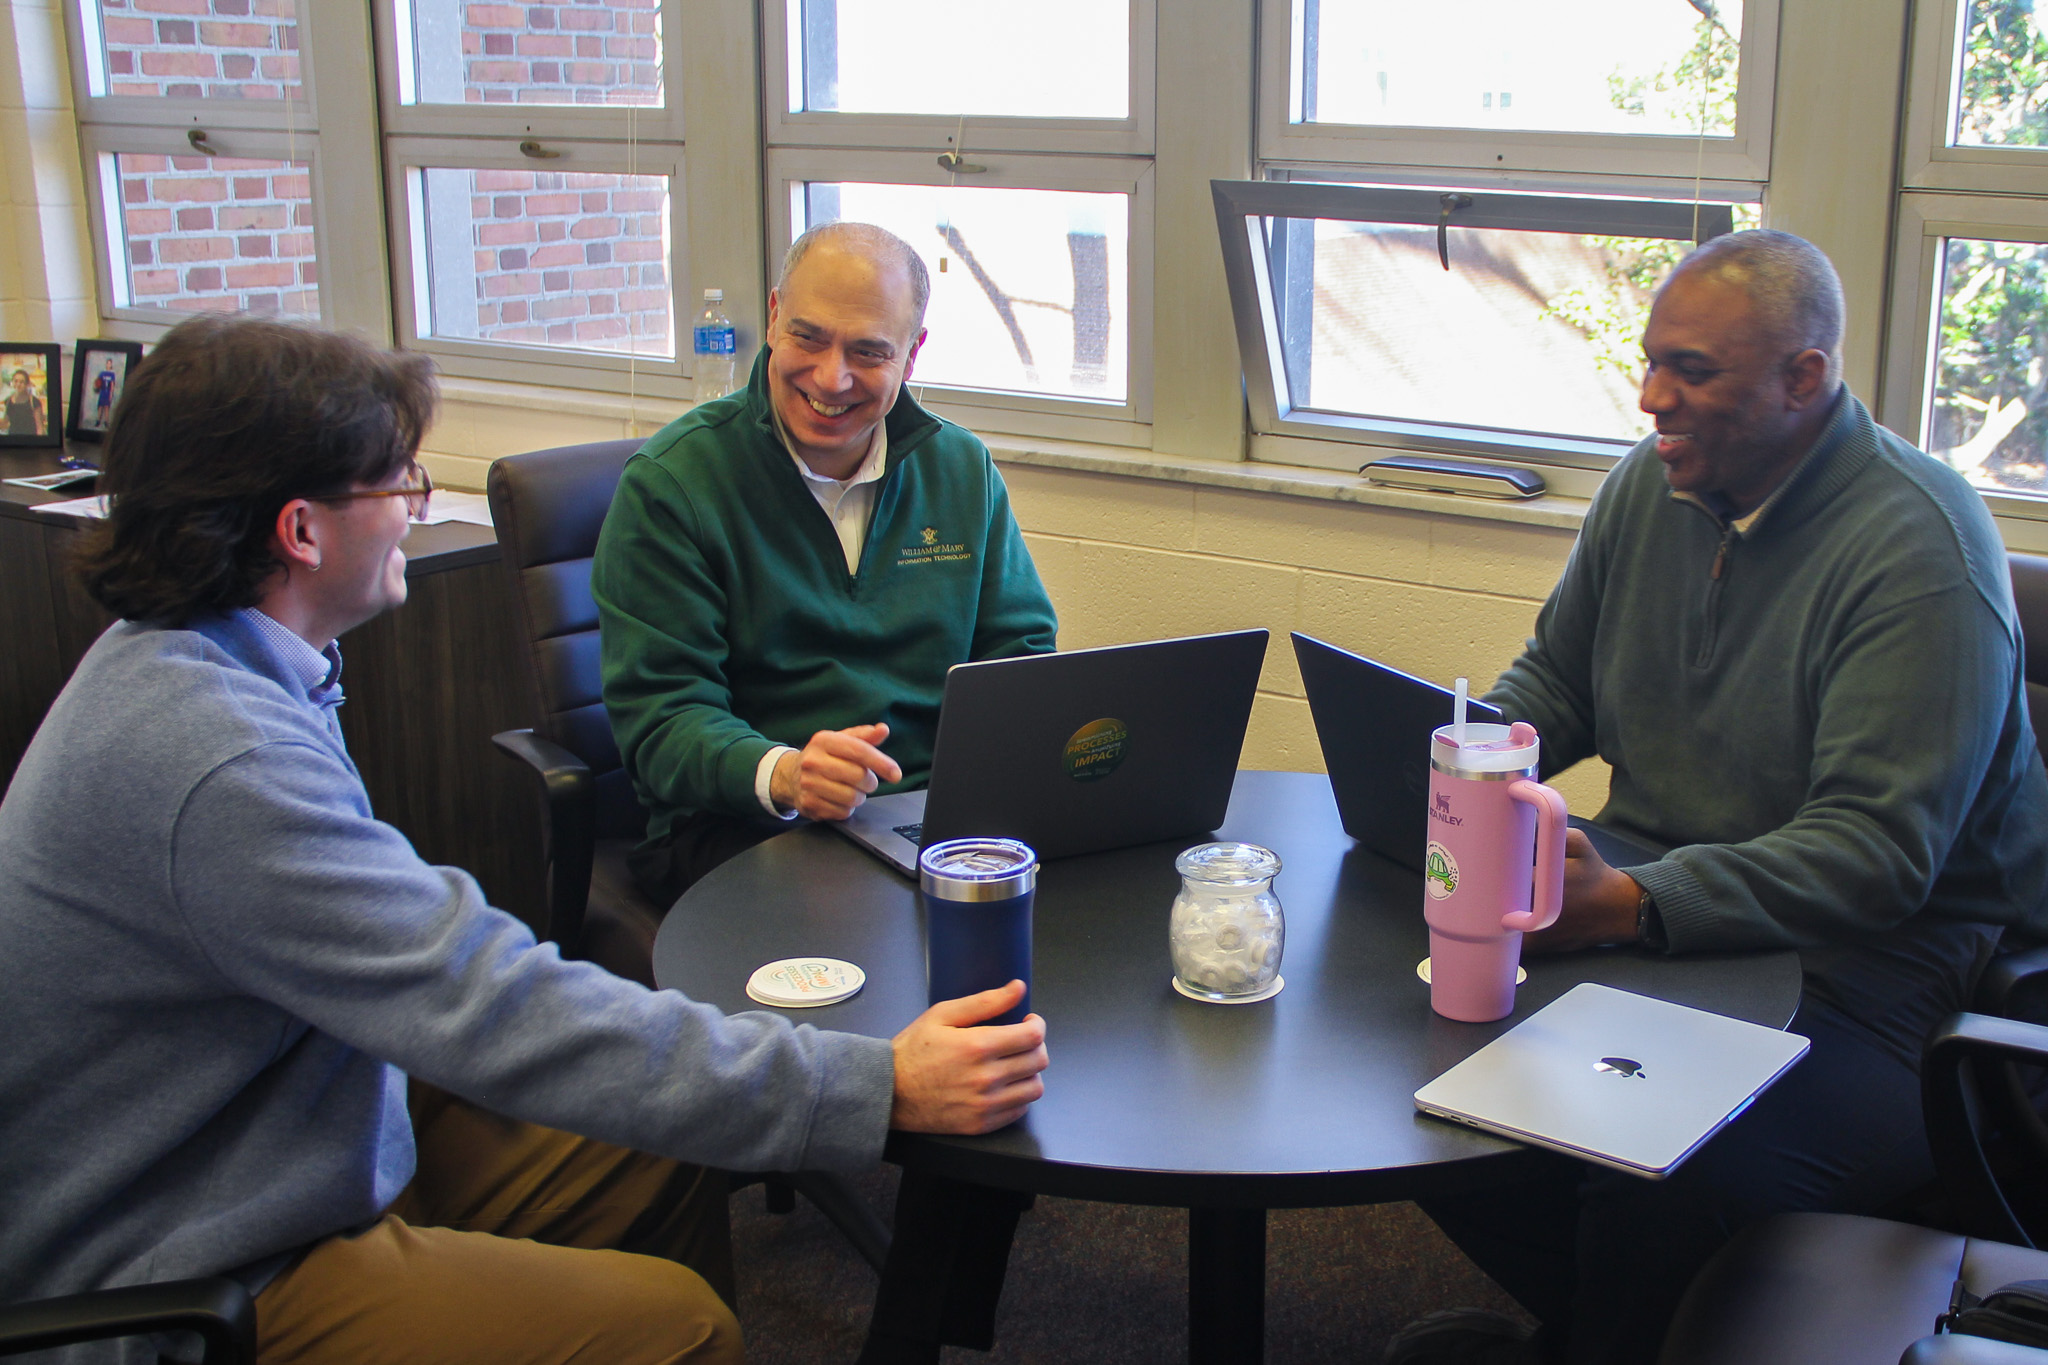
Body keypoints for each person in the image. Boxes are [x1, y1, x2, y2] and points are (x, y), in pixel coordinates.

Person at [0, 315, 1050, 1365]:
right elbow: (483, 1000)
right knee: (675, 1333)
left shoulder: (211, 664)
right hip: (189, 1262)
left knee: (658, 1140)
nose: (415, 507)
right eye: (397, 483)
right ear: (300, 532)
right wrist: (870, 1088)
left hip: (283, 1135)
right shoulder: (214, 759)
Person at [1390, 230, 2048, 1365]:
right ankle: (1622, 1331)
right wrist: (1475, 757)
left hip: (1879, 979)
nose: (1652, 399)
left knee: (1663, 1183)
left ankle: (1624, 1326)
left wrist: (1629, 904)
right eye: (1649, 363)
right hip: (1669, 916)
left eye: (1691, 370)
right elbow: (1558, 679)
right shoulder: (1649, 490)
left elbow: (1873, 857)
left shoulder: (1918, 549)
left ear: (1805, 376)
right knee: (1424, 1083)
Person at [593, 221, 1057, 908]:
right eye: (809, 337)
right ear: (775, 317)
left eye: (868, 351)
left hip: (929, 822)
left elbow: (1017, 659)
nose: (831, 377)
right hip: (743, 825)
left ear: (911, 354)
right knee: (875, 928)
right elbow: (663, 720)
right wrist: (783, 773)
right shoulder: (673, 484)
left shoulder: (959, 469)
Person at [4, 366, 45, 436]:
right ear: (12, 382)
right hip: (12, 440)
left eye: (22, 382)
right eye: (15, 381)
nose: (18, 384)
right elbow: (5, 423)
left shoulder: (34, 402)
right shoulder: (8, 401)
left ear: (27, 384)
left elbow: (39, 428)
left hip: (29, 440)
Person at [92, 353, 118, 428]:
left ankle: (106, 422)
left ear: (111, 365)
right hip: (102, 391)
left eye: (110, 363)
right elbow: (98, 382)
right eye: (108, 363)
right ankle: (98, 421)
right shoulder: (102, 373)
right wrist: (96, 386)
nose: (109, 365)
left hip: (108, 392)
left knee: (107, 407)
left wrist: (111, 394)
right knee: (100, 407)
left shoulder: (112, 374)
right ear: (106, 364)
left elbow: (112, 385)